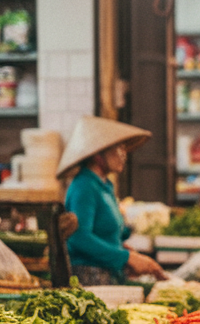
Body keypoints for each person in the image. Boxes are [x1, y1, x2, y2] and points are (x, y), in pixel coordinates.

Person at [57, 116, 166, 285]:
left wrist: (121, 249)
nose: (124, 154)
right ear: (97, 155)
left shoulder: (104, 186)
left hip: (109, 273)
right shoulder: (84, 186)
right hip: (89, 276)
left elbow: (107, 233)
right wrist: (125, 258)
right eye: (118, 148)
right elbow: (79, 238)